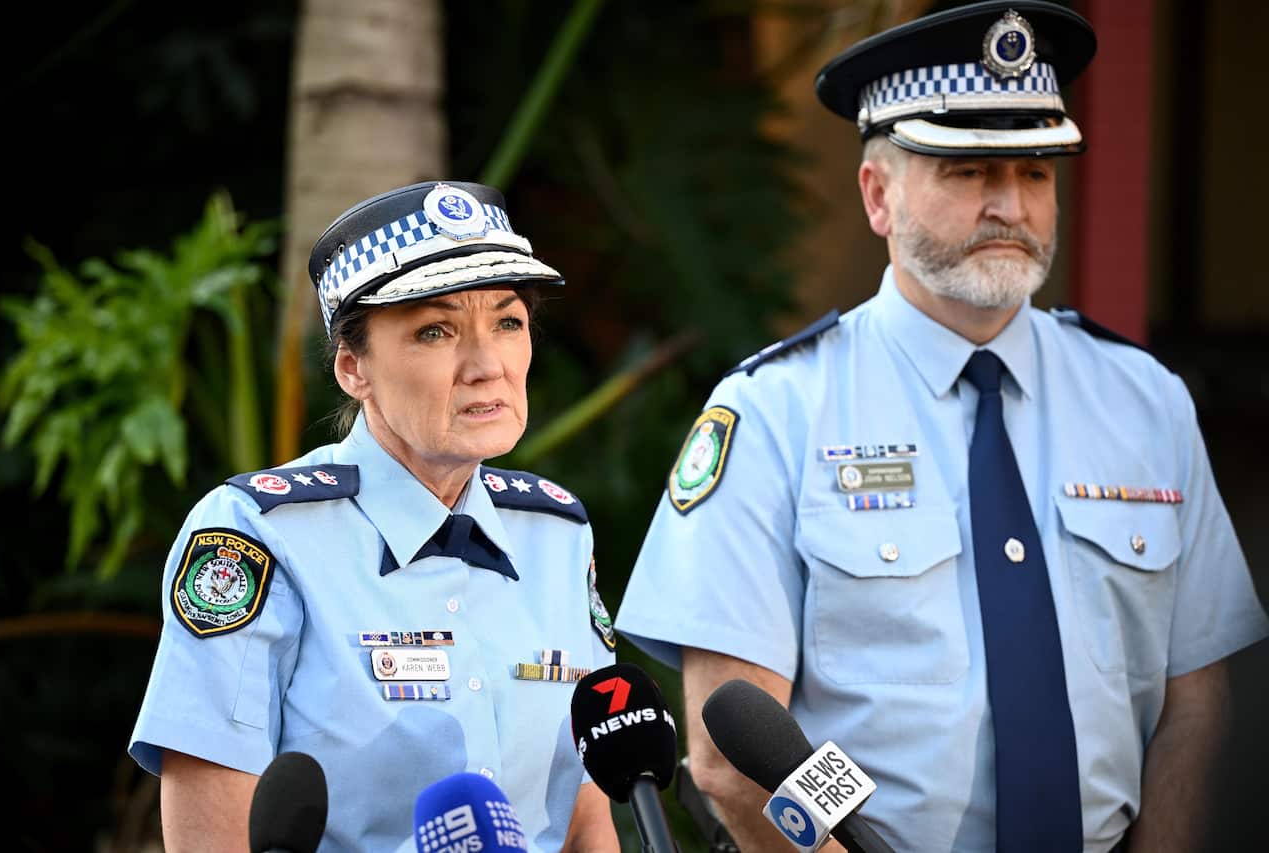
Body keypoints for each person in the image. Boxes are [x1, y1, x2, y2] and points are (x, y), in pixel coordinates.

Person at [614, 3, 1269, 852]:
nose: (1010, 205)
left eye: (1034, 172)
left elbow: (1198, 702)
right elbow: (732, 751)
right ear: (877, 195)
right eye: (968, 172)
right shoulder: (779, 410)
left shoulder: (1147, 402)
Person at [129, 181, 620, 852]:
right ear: (353, 368)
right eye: (435, 331)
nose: (487, 366)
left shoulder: (555, 534)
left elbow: (585, 817)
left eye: (508, 322)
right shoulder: (258, 535)